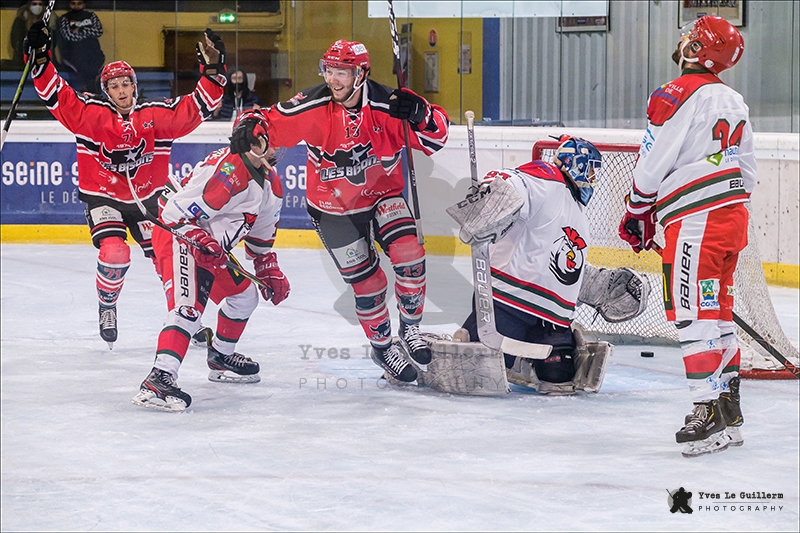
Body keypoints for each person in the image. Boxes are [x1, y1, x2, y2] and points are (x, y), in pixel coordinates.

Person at [25, 21, 227, 348]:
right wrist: (39, 59)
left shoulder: (155, 115)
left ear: (134, 86)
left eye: (125, 83)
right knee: (115, 252)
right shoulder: (89, 115)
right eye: (114, 85)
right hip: (105, 200)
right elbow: (54, 93)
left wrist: (214, 71)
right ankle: (107, 304)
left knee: (172, 260)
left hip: (149, 201)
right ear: (106, 91)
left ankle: (187, 317)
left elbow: (194, 109)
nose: (121, 90)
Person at [260, 40, 450, 383]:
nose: (333, 79)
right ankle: (382, 348)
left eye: (342, 72)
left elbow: (438, 136)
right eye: (329, 70)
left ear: (361, 73)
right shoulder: (314, 104)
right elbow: (268, 122)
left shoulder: (388, 105)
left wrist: (421, 112)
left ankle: (410, 329)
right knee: (369, 285)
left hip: (382, 196)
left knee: (409, 254)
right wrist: (249, 129)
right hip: (332, 209)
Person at [617, 16, 754, 458]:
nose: (682, 43)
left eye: (690, 39)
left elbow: (653, 161)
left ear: (697, 49)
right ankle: (729, 410)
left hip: (697, 221)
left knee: (691, 313)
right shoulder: (734, 99)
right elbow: (746, 172)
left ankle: (706, 409)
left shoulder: (676, 93)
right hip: (731, 219)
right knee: (716, 314)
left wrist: (638, 209)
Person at [132, 109, 289, 412]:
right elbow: (173, 214)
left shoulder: (271, 185)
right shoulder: (231, 171)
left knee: (244, 297)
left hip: (208, 245)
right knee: (188, 309)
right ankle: (158, 379)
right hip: (179, 235)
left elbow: (260, 243)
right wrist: (200, 239)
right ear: (256, 140)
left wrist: (269, 269)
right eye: (272, 138)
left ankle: (220, 357)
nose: (278, 146)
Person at [447, 136, 618, 394]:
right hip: (510, 303)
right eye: (591, 167)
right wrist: (492, 195)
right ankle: (470, 341)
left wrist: (599, 286)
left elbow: (565, 265)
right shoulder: (547, 177)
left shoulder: (578, 210)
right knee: (479, 370)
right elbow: (511, 179)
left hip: (552, 319)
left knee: (559, 375)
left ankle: (520, 359)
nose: (593, 176)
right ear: (576, 161)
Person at [56, 0, 105, 93]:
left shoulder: (91, 16)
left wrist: (81, 29)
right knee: (82, 61)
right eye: (73, 3)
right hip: (72, 54)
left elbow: (98, 31)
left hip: (93, 52)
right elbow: (69, 36)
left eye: (79, 3)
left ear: (84, 4)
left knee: (96, 59)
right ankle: (90, 87)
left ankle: (91, 86)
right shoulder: (65, 18)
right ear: (69, 4)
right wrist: (88, 33)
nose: (76, 6)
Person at [9, 0, 54, 68]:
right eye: (34, 4)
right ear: (29, 5)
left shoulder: (47, 23)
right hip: (21, 62)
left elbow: (51, 43)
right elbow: (15, 41)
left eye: (40, 4)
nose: (37, 6)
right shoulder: (20, 22)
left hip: (42, 62)